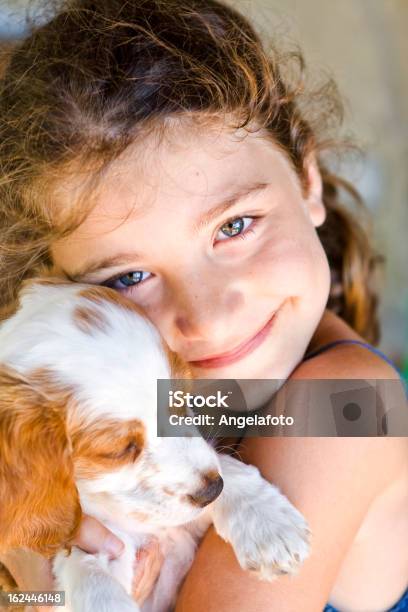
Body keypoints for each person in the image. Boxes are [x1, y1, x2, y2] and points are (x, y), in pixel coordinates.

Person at [0, 1, 407, 610]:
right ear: (60, 294)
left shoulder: (348, 405)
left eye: (236, 225)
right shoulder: (123, 403)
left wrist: (33, 594)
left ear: (307, 178)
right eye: (129, 276)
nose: (210, 316)